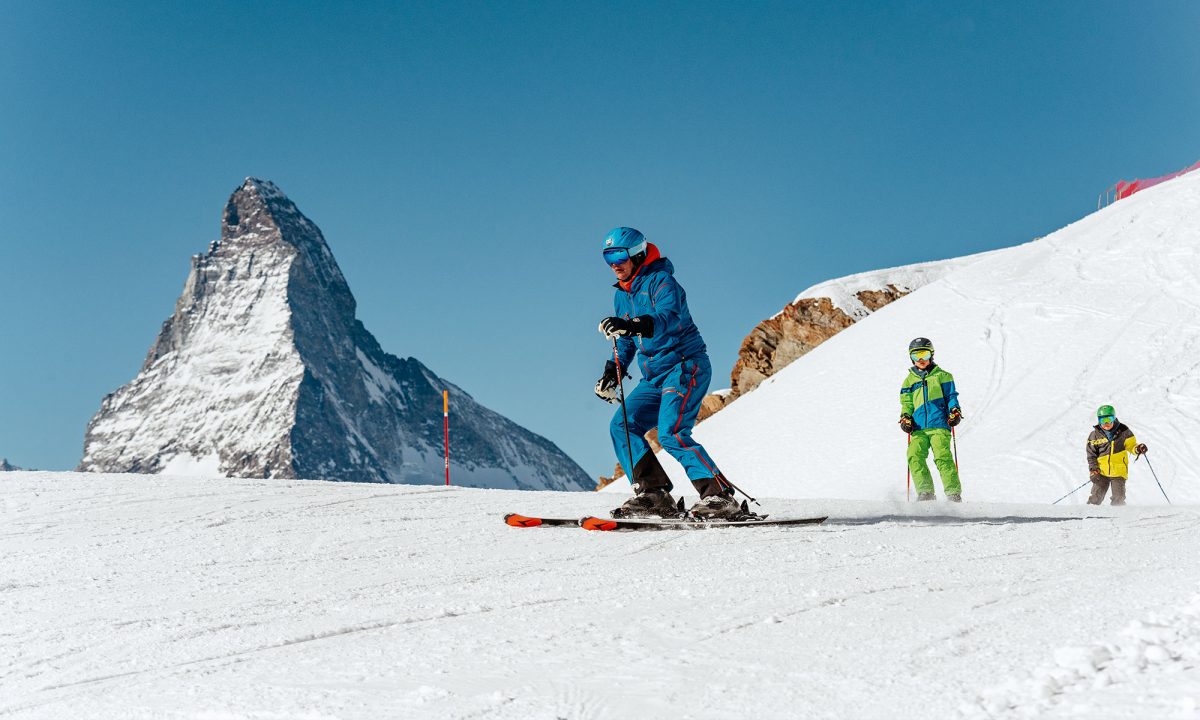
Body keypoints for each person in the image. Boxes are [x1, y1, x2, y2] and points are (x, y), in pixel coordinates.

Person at [593, 227, 743, 520]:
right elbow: (625, 342)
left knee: (671, 432)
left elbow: (668, 319)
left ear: (637, 254)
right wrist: (613, 372)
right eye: (607, 256)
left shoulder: (662, 281)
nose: (614, 263)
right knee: (622, 424)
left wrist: (633, 325)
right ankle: (654, 493)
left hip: (685, 365)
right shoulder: (622, 296)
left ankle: (719, 496)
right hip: (654, 376)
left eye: (619, 255)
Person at [899, 337, 963, 502]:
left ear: (931, 355)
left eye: (924, 354)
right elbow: (906, 404)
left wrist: (955, 411)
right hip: (918, 427)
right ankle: (926, 492)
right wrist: (905, 417)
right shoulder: (908, 381)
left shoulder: (943, 376)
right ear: (911, 358)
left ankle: (953, 494)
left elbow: (951, 396)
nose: (920, 360)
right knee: (913, 455)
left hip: (939, 425)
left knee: (942, 457)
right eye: (916, 356)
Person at [1085, 405, 1147, 506]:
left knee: (1119, 497)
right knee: (1096, 497)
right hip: (1101, 472)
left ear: (1114, 418)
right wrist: (1093, 470)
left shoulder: (1123, 431)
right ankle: (1089, 513)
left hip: (1118, 472)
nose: (1106, 424)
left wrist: (1138, 449)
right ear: (1099, 420)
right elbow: (1091, 455)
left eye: (1109, 420)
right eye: (1102, 420)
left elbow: (1131, 446)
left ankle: (1119, 514)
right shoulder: (1094, 435)